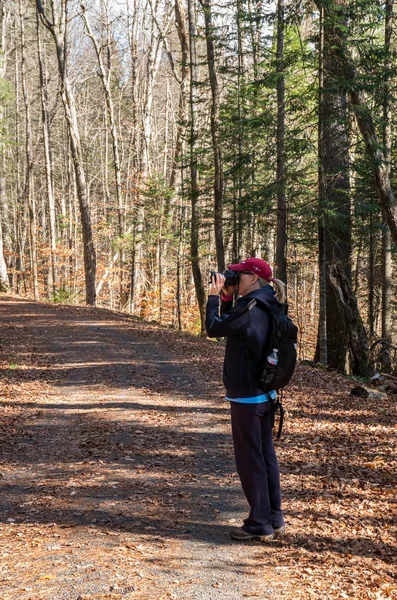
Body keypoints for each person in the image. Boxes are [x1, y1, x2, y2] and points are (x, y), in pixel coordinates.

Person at [205, 257, 286, 542]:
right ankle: (273, 518)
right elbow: (231, 328)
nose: (234, 279)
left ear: (253, 277)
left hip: (247, 397)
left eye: (239, 275)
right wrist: (227, 298)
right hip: (265, 392)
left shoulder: (250, 308)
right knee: (264, 458)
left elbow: (214, 328)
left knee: (250, 460)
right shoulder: (268, 303)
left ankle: (259, 523)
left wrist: (214, 298)